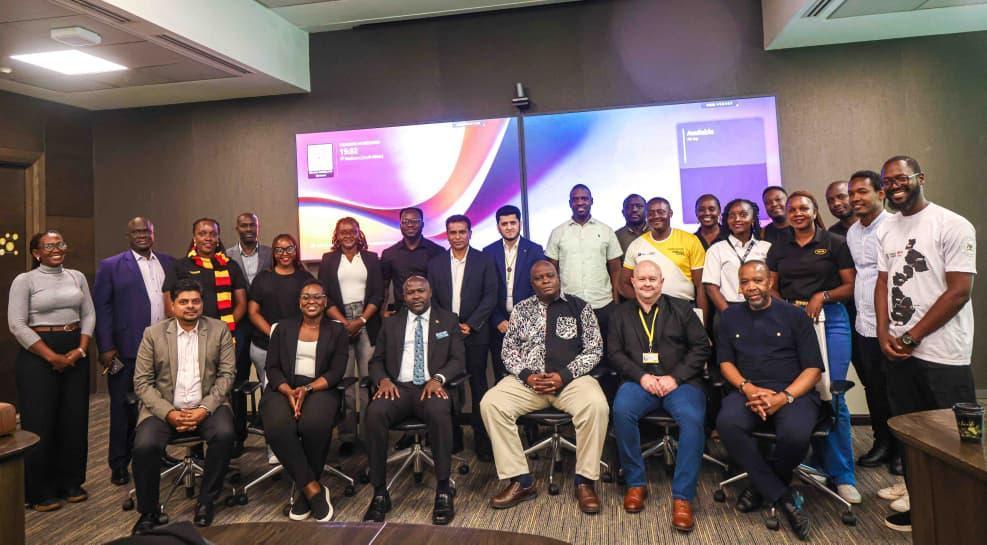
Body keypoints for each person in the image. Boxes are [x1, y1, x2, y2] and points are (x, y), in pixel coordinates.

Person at [875, 156, 977, 533]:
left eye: (901, 178)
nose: (894, 186)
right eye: (888, 181)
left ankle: (965, 512)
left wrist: (911, 336)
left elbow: (958, 292)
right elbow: (883, 283)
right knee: (910, 434)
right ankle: (921, 506)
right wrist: (884, 332)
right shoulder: (887, 228)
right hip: (898, 350)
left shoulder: (952, 224)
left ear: (920, 177)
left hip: (943, 353)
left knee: (958, 438)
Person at [480, 260, 609, 515]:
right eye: (539, 278)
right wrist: (527, 375)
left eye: (550, 275)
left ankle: (585, 481)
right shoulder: (521, 310)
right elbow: (508, 351)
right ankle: (521, 480)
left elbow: (594, 350)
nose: (545, 281)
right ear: (532, 284)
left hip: (570, 382)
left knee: (597, 406)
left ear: (558, 277)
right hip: (528, 384)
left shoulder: (579, 307)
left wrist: (564, 375)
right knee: (491, 403)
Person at [715, 260, 823, 541]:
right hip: (749, 390)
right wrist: (747, 388)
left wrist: (783, 397)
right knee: (727, 423)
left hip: (792, 392)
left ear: (770, 282)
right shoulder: (729, 317)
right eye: (745, 282)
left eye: (758, 280)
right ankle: (783, 496)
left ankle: (761, 486)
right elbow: (725, 362)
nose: (751, 287)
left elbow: (813, 370)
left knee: (795, 435)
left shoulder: (795, 316)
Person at [766, 191, 859, 504]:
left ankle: (843, 475)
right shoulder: (779, 247)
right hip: (792, 321)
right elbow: (772, 287)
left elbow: (850, 285)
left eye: (803, 208)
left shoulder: (834, 242)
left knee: (833, 393)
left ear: (814, 210)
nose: (797, 213)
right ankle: (818, 463)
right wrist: (787, 309)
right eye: (792, 209)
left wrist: (822, 296)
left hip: (830, 320)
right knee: (804, 392)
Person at [609, 261, 710, 531]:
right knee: (621, 411)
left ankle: (683, 497)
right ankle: (636, 483)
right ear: (632, 282)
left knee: (692, 420)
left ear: (661, 282)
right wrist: (641, 376)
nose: (647, 283)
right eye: (641, 279)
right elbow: (615, 353)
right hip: (639, 382)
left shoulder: (682, 309)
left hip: (680, 383)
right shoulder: (620, 314)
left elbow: (701, 347)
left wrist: (674, 378)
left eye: (652, 279)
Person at [130, 279, 236, 534]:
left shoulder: (219, 329)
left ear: (202, 303)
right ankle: (148, 511)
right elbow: (142, 382)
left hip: (208, 405)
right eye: (184, 302)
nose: (190, 306)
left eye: (195, 301)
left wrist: (204, 409)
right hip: (164, 408)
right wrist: (169, 413)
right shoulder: (153, 334)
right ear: (173, 305)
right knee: (144, 445)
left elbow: (227, 375)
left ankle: (206, 501)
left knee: (225, 434)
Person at [362, 276, 464, 525]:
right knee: (374, 413)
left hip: (430, 388)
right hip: (398, 388)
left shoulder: (448, 319)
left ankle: (443, 489)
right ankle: (379, 492)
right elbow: (376, 361)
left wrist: (439, 378)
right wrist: (383, 380)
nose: (416, 296)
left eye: (420, 291)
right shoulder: (391, 323)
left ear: (430, 293)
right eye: (410, 292)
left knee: (439, 412)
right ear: (403, 296)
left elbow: (458, 359)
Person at [8, 229, 95, 512]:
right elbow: (17, 324)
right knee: (40, 422)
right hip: (38, 353)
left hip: (75, 350)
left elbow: (89, 314)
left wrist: (81, 349)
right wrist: (51, 356)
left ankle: (70, 483)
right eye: (49, 246)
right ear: (36, 253)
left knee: (74, 419)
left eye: (60, 244)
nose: (56, 249)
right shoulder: (25, 280)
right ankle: (39, 491)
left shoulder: (76, 277)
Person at [93, 217, 175, 486]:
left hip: (163, 349)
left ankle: (157, 453)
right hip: (126, 350)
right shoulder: (111, 266)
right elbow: (102, 308)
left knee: (161, 404)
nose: (142, 235)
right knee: (123, 408)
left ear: (154, 233)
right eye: (136, 232)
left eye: (147, 231)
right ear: (128, 236)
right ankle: (119, 463)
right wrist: (106, 346)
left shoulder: (168, 262)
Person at [260, 279, 348, 522]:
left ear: (325, 301)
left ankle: (304, 492)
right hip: (283, 387)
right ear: (299, 302)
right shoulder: (282, 328)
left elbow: (336, 371)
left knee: (314, 425)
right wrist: (289, 391)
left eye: (317, 297)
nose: (312, 301)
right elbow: (272, 367)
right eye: (306, 297)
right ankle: (312, 488)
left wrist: (307, 389)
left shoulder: (337, 330)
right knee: (278, 427)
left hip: (320, 387)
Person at [427, 215, 497, 460]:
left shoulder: (484, 260)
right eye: (452, 232)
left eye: (461, 232)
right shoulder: (435, 263)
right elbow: (432, 299)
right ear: (447, 234)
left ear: (470, 233)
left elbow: (490, 295)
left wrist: (471, 324)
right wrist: (450, 326)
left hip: (475, 333)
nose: (457, 236)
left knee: (479, 386)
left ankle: (482, 440)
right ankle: (452, 438)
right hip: (445, 335)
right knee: (447, 386)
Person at [844, 171, 897, 473]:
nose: (855, 198)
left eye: (862, 192)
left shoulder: (894, 226)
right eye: (852, 193)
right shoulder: (853, 232)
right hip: (863, 323)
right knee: (873, 387)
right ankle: (882, 442)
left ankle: (902, 449)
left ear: (880, 193)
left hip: (892, 324)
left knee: (897, 389)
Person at [319, 218, 383, 457]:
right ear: (336, 234)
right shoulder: (328, 260)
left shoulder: (371, 259)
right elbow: (324, 295)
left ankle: (369, 434)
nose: (347, 234)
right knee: (344, 383)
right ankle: (347, 436)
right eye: (343, 231)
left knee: (368, 381)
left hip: (367, 321)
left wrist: (361, 320)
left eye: (352, 231)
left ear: (359, 233)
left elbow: (378, 294)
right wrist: (345, 323)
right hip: (338, 323)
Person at [248, 234, 314, 463]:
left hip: (300, 349)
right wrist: (274, 334)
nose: (284, 254)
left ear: (296, 250)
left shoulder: (305, 278)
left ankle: (300, 448)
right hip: (265, 346)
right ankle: (274, 448)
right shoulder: (263, 278)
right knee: (274, 401)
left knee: (299, 397)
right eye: (279, 250)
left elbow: (314, 310)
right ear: (273, 253)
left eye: (289, 249)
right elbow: (253, 312)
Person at [545, 184, 622, 352]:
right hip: (569, 306)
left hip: (602, 304)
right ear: (570, 203)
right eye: (575, 199)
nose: (580, 202)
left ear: (591, 201)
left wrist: (616, 302)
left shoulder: (606, 231)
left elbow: (616, 269)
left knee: (605, 352)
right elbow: (551, 271)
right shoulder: (558, 232)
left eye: (584, 198)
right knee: (571, 353)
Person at [225, 212, 272, 452]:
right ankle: (238, 434)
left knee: (271, 378)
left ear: (258, 226)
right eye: (244, 225)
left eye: (252, 224)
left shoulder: (271, 253)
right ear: (237, 228)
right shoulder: (226, 256)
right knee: (238, 379)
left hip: (266, 320)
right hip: (239, 324)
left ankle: (272, 430)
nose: (249, 229)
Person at [620, 197, 708, 323]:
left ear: (670, 213)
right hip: (649, 311)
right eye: (651, 213)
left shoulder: (690, 240)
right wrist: (644, 301)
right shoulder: (636, 245)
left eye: (661, 212)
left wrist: (702, 322)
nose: (656, 216)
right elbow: (623, 284)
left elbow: (700, 286)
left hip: (684, 308)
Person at [482, 205, 545, 380]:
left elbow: (540, 289)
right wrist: (497, 320)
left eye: (513, 223)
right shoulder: (488, 252)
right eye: (504, 224)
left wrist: (522, 320)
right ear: (498, 227)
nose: (509, 227)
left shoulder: (534, 250)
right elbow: (486, 291)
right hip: (499, 323)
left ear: (520, 224)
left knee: (529, 372)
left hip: (528, 322)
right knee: (501, 373)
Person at [702, 199, 771, 315]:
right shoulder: (716, 249)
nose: (737, 219)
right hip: (727, 308)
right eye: (732, 216)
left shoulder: (766, 247)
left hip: (762, 308)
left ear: (753, 219)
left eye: (743, 215)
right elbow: (711, 287)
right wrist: (729, 314)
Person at [380, 207, 444, 316]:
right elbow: (384, 287)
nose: (410, 225)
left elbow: (442, 287)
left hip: (431, 312)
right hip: (400, 313)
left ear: (422, 224)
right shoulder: (389, 253)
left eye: (415, 221)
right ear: (400, 225)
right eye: (405, 221)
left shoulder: (437, 252)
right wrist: (382, 312)